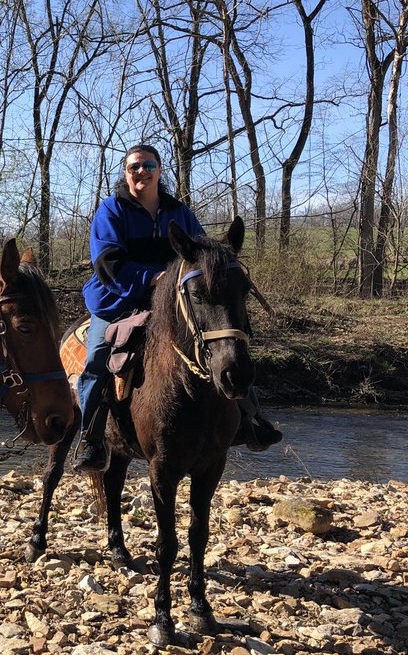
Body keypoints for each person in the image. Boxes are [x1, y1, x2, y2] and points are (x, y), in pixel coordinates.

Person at [73, 144, 281, 471]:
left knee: (221, 342)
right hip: (117, 298)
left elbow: (198, 254)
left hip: (172, 299)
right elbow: (108, 263)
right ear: (126, 173)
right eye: (134, 167)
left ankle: (252, 419)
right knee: (98, 356)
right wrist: (152, 278)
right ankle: (91, 438)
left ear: (159, 170)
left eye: (148, 165)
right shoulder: (112, 210)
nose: (141, 172)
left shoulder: (179, 212)